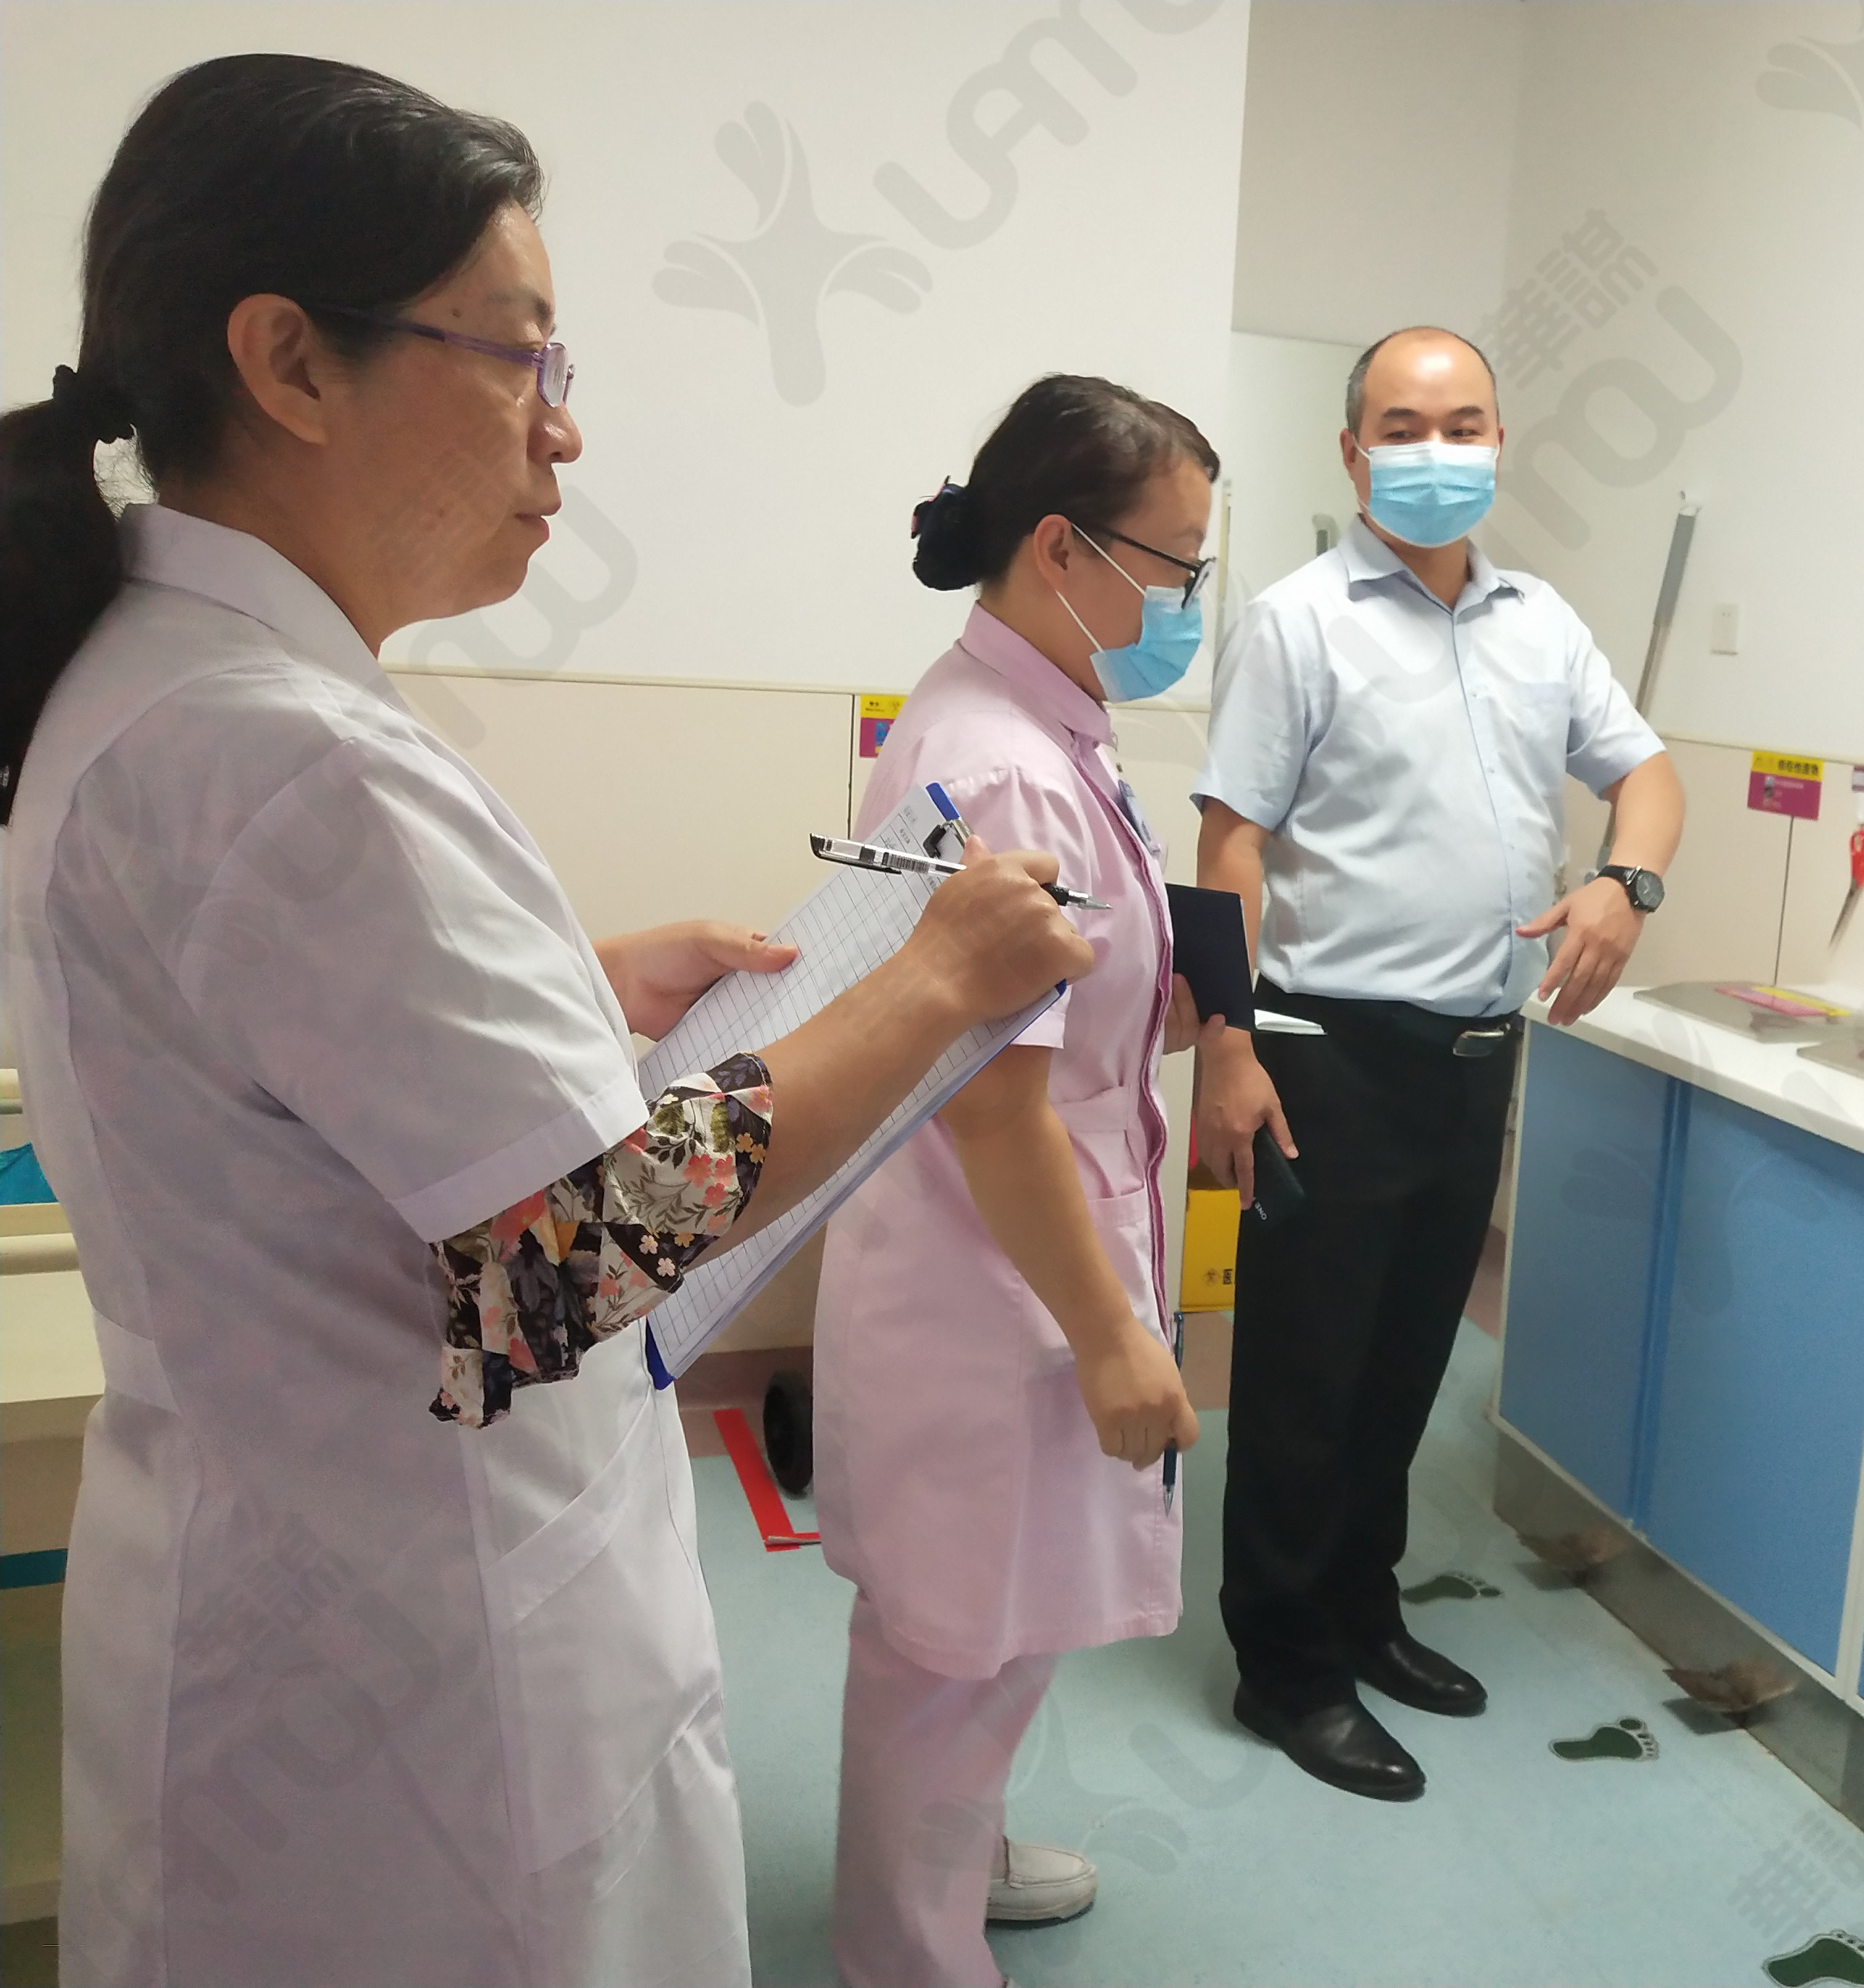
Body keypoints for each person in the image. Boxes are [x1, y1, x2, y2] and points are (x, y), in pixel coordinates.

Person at [0, 56, 1090, 1988]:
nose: (563, 430)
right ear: (292, 362)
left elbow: (269, 1061)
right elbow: (572, 1262)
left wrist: (576, 986)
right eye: (520, 358)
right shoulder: (292, 758)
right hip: (417, 1692)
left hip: (297, 1599)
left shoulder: (159, 690)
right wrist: (935, 980)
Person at [1192, 324, 1685, 1799]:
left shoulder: (1543, 623)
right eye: (1403, 427)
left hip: (1476, 1056)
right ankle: (1285, 1667)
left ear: (1499, 442)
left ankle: (1362, 1610)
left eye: (1463, 423)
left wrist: (1624, 885)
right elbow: (1230, 845)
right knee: (1304, 1380)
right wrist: (1227, 1039)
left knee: (1408, 1363)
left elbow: (1646, 774)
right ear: (1353, 453)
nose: (1436, 450)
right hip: (1325, 1055)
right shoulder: (1296, 623)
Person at [814, 375, 1210, 1988]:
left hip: (1008, 1252)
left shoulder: (1029, 724)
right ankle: (904, 1952)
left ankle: (957, 1865)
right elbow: (995, 1110)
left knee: (993, 1624)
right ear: (1062, 548)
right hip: (999, 1278)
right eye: (1176, 567)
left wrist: (1168, 995)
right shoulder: (1008, 770)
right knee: (951, 1647)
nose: (1190, 604)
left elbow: (1052, 1009)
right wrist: (1115, 1337)